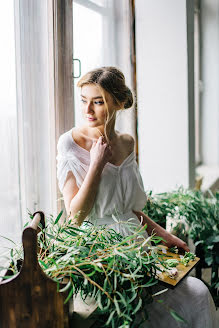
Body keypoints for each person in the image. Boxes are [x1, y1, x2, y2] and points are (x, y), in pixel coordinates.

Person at [56, 66, 216, 327]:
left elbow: (128, 209)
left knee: (198, 293)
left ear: (118, 103)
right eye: (84, 101)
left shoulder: (127, 142)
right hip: (103, 256)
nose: (87, 111)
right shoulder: (69, 143)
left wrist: (163, 234)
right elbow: (75, 216)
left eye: (98, 102)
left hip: (139, 249)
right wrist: (96, 164)